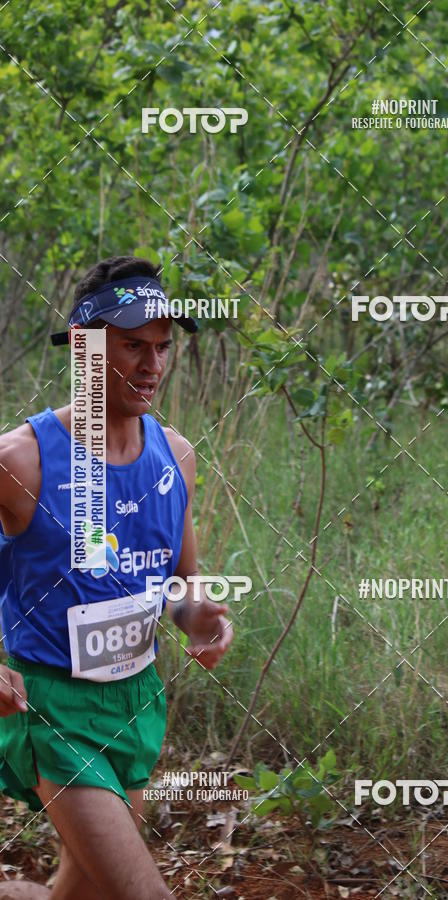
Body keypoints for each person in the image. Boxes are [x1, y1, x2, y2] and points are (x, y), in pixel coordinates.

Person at [0, 256, 233, 899]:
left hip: (135, 704)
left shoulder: (176, 456)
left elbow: (179, 583)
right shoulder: (23, 460)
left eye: (161, 348)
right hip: (53, 709)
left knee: (85, 891)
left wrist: (201, 616)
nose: (152, 365)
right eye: (132, 346)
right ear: (84, 347)